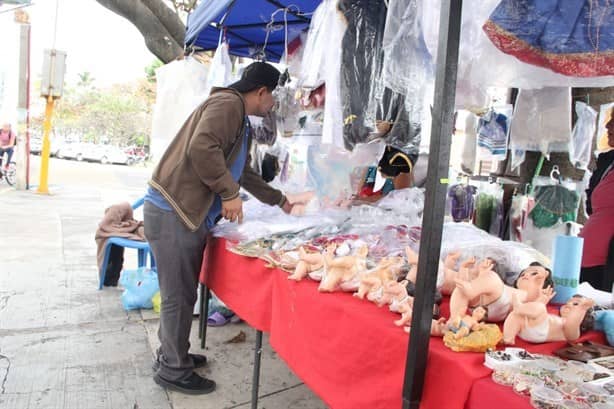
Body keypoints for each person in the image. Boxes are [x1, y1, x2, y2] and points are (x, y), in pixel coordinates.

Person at [144, 62, 295, 395]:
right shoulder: (228, 105)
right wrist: (228, 193)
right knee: (178, 295)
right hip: (174, 212)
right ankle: (172, 368)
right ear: (261, 92)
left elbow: (244, 173)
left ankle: (174, 353)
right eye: (274, 97)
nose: (274, 106)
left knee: (181, 293)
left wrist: (280, 200)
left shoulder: (240, 120)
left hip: (183, 213)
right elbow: (202, 148)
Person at [579, 110, 614, 292]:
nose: (607, 126)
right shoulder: (608, 161)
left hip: (606, 268)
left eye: (613, 122)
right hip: (586, 261)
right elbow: (591, 206)